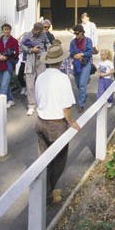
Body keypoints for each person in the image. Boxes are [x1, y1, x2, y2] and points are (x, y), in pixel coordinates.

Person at [34, 40, 80, 204]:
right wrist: (71, 122)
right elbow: (66, 106)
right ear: (60, 61)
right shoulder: (62, 78)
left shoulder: (40, 77)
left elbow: (38, 99)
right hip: (56, 124)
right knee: (59, 160)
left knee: (45, 158)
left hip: (40, 121)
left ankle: (46, 189)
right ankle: (48, 193)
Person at [19, 22, 49, 116]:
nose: (38, 33)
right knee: (30, 83)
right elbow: (21, 46)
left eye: (40, 31)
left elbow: (47, 43)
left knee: (42, 82)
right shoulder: (28, 35)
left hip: (41, 59)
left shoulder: (43, 34)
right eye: (36, 31)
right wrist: (31, 50)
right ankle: (31, 105)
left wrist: (47, 52)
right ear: (34, 29)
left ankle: (42, 103)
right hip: (30, 59)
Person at [0, 23, 19, 108]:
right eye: (5, 29)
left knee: (3, 85)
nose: (6, 31)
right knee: (4, 84)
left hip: (8, 65)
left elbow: (16, 53)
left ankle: (0, 107)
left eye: (8, 29)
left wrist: (6, 57)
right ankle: (10, 100)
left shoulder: (14, 41)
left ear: (10, 30)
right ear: (2, 31)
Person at [69, 24, 94, 110]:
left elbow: (90, 52)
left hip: (86, 64)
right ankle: (83, 94)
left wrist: (82, 54)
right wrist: (75, 56)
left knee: (82, 84)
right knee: (78, 84)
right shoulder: (72, 42)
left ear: (82, 33)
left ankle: (81, 104)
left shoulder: (88, 41)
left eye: (77, 33)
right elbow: (71, 52)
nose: (76, 35)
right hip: (76, 64)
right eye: (74, 33)